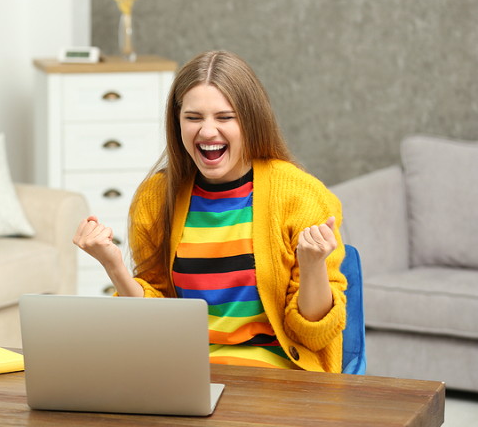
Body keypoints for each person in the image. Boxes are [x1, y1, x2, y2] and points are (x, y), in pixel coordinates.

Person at [73, 50, 347, 373]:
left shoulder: (302, 196)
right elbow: (154, 326)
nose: (206, 132)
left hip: (275, 378)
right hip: (185, 374)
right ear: (177, 123)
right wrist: (113, 265)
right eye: (193, 118)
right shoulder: (156, 197)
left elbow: (313, 335)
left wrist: (312, 265)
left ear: (250, 120)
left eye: (224, 117)